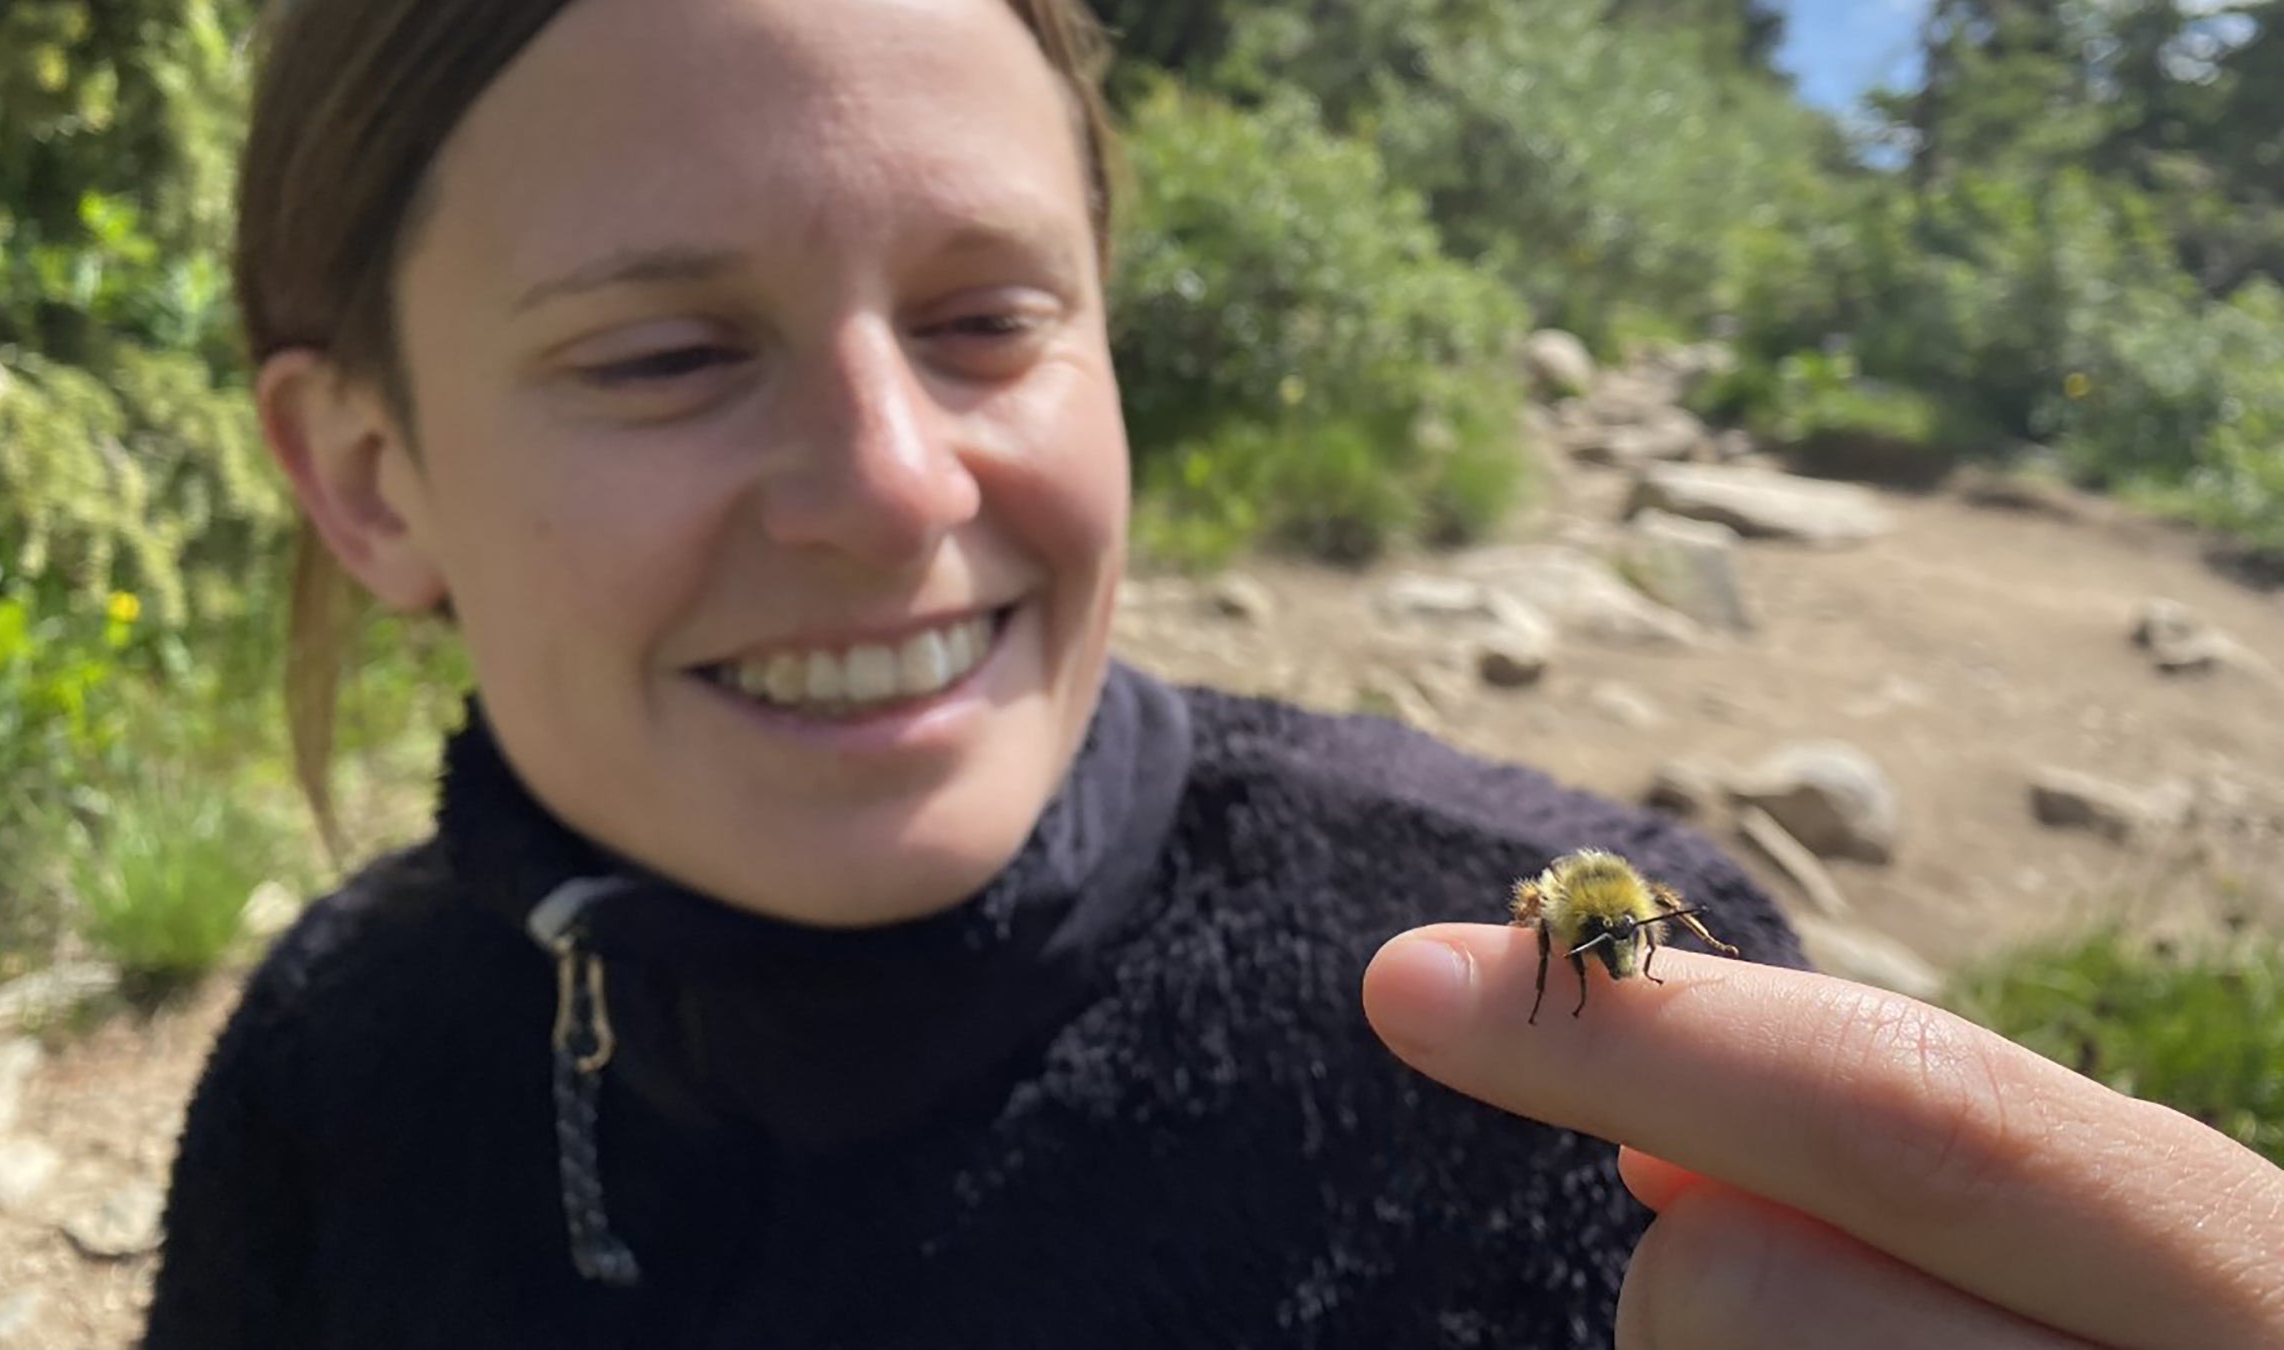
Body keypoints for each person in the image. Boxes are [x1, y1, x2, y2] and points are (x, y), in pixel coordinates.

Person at [143, 0, 2284, 1344]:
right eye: (668, 353)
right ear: (362, 473)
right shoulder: (334, 1051)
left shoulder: (1536, 1080)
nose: (894, 491)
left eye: (990, 316)